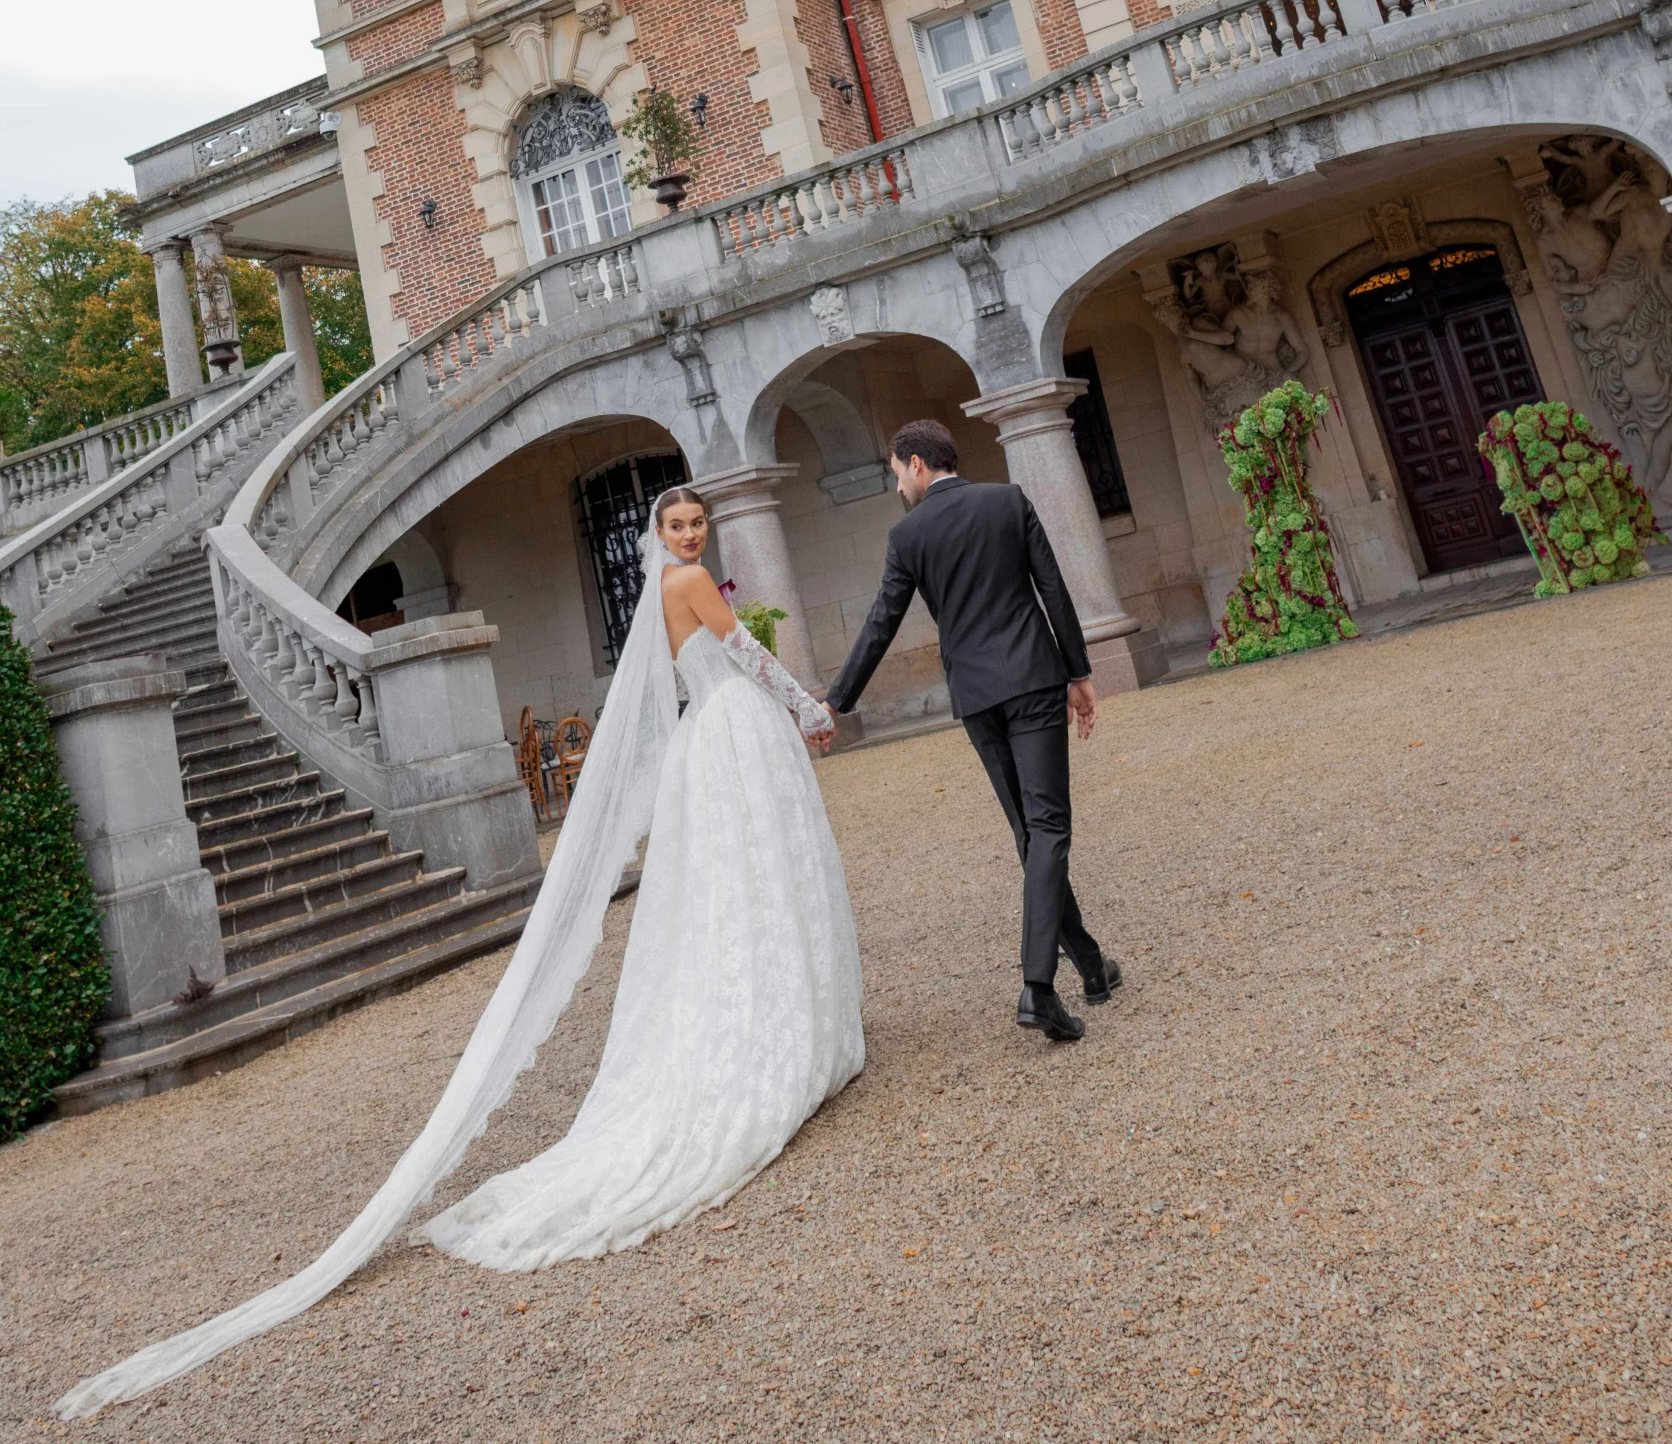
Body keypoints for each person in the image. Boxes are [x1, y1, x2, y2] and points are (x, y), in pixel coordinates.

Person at [57, 484, 862, 1418]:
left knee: (736, 889)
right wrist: (810, 704)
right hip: (730, 731)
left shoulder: (659, 589)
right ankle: (779, 1028)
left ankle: (775, 1014)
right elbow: (745, 652)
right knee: (751, 878)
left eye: (694, 525)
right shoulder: (689, 586)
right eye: (676, 526)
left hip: (706, 738)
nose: (687, 536)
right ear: (661, 537)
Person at [827, 418, 1120, 1044]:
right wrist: (1079, 671)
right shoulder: (1007, 501)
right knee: (1047, 827)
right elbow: (1053, 590)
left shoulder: (907, 534)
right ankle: (1039, 987)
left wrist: (836, 701)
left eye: (896, 472)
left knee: (1030, 831)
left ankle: (1091, 966)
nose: (897, 485)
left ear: (916, 464)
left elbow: (881, 623)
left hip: (977, 696)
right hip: (1034, 679)